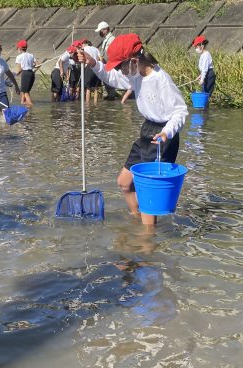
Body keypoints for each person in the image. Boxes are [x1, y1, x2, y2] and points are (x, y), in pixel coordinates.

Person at [78, 33, 188, 225]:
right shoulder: (135, 74)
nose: (120, 70)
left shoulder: (161, 79)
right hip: (146, 131)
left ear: (134, 61)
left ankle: (147, 242)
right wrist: (93, 63)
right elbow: (112, 78)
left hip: (162, 138)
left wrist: (166, 132)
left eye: (121, 66)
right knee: (124, 182)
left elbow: (180, 111)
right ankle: (137, 219)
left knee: (148, 196)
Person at [95, 21, 117, 101]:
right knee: (106, 84)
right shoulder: (106, 39)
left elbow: (112, 53)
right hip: (106, 64)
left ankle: (111, 98)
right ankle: (109, 98)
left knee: (110, 83)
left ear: (105, 30)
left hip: (110, 65)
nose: (100, 32)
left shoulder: (111, 39)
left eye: (101, 30)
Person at [15, 39, 36, 106]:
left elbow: (19, 69)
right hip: (31, 73)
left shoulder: (19, 57)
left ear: (20, 48)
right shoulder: (31, 55)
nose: (17, 50)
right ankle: (22, 103)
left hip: (25, 74)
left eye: (17, 48)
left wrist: (15, 74)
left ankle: (31, 105)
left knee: (25, 92)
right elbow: (37, 64)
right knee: (24, 91)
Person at [81, 39, 102, 105]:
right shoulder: (96, 49)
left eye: (82, 44)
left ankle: (87, 104)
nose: (82, 45)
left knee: (88, 88)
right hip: (96, 67)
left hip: (89, 67)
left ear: (85, 44)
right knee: (95, 88)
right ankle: (95, 103)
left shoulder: (84, 48)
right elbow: (100, 58)